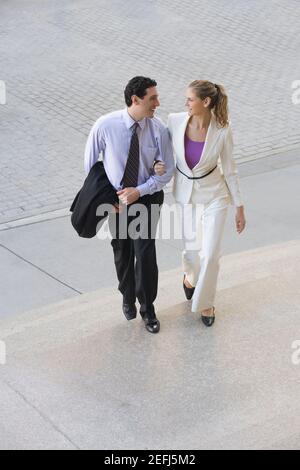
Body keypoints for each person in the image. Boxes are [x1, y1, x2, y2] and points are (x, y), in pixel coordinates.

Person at [84, 76, 175, 334]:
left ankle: (148, 309)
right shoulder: (105, 125)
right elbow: (90, 166)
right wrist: (107, 199)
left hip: (146, 197)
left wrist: (141, 190)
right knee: (122, 250)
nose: (158, 102)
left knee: (145, 252)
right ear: (135, 100)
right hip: (117, 201)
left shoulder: (158, 129)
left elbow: (166, 172)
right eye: (152, 98)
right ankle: (127, 296)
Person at [154, 80, 246, 327]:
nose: (186, 103)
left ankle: (206, 302)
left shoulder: (223, 130)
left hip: (215, 196)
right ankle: (190, 276)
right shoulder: (175, 121)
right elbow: (158, 148)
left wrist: (239, 206)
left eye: (190, 99)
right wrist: (157, 164)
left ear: (205, 102)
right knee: (193, 252)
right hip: (186, 197)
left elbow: (230, 170)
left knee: (212, 253)